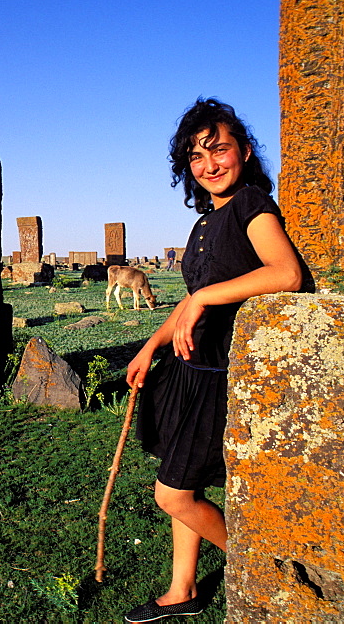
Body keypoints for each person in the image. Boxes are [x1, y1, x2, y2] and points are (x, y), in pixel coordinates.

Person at [123, 98, 303, 623]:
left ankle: (260, 571)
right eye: (196, 157)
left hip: (223, 375)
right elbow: (188, 302)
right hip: (188, 370)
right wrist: (150, 345)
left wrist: (203, 299)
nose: (209, 164)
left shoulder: (251, 206)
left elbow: (286, 274)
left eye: (219, 149)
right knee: (187, 485)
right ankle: (183, 590)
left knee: (173, 495)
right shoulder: (206, 223)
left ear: (244, 152)